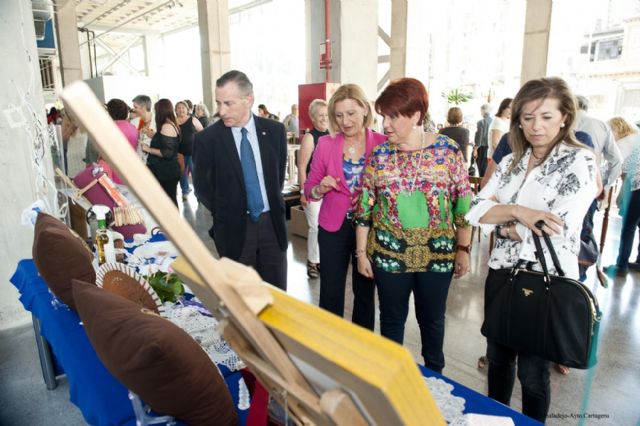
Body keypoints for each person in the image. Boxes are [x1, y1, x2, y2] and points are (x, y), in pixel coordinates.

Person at [465, 77, 599, 422]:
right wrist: (518, 213)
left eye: (546, 117)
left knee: (533, 373)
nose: (536, 127)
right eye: (527, 118)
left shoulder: (579, 161)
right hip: (502, 273)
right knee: (497, 359)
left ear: (565, 117)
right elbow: (475, 210)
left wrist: (505, 225)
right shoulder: (510, 162)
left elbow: (557, 228)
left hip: (547, 279)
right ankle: (494, 420)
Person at [353, 78, 472, 373]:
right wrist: (361, 254)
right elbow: (365, 206)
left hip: (438, 255)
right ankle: (392, 382)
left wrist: (464, 249)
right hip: (388, 255)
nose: (386, 124)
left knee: (432, 320)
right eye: (383, 117)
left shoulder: (448, 151)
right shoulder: (379, 156)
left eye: (393, 116)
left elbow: (463, 205)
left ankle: (436, 379)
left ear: (416, 115)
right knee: (392, 320)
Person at [193, 70, 288, 291]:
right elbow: (202, 187)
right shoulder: (208, 139)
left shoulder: (274, 131)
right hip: (234, 229)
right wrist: (226, 212)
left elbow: (276, 177)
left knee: (277, 296)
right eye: (218, 103)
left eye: (228, 103)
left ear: (248, 101)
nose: (221, 111)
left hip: (271, 226)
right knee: (242, 299)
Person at [304, 84, 385, 330]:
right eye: (339, 115)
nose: (345, 121)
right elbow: (309, 188)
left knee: (365, 290)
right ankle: (330, 345)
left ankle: (361, 347)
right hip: (332, 226)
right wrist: (320, 188)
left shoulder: (382, 144)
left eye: (350, 113)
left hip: (370, 228)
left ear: (364, 109)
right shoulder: (326, 145)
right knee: (330, 291)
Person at [604, 117, 640, 276]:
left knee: (628, 226)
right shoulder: (636, 137)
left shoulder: (624, 142)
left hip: (636, 187)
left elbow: (615, 164)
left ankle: (622, 265)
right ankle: (638, 261)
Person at [297, 99, 329, 278]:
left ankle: (321, 260)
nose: (324, 118)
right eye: (320, 115)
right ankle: (312, 262)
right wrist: (303, 192)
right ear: (313, 118)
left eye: (326, 114)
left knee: (325, 228)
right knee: (315, 227)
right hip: (313, 189)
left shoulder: (332, 134)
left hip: (329, 190)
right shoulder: (310, 137)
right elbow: (302, 166)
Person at [575, 95, 622, 192]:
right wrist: (606, 186)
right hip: (590, 183)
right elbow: (617, 159)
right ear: (586, 108)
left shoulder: (560, 122)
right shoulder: (601, 125)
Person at [141, 99, 181, 206]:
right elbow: (164, 140)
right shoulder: (169, 124)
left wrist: (148, 149)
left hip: (166, 171)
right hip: (166, 170)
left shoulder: (166, 126)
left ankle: (173, 222)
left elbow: (167, 153)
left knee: (169, 202)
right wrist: (152, 134)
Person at [103, 98, 139, 184]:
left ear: (110, 113)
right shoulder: (133, 128)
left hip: (116, 174)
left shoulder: (110, 130)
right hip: (132, 171)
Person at [175, 100, 203, 200]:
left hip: (193, 152)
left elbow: (202, 132)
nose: (181, 109)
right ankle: (185, 191)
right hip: (179, 153)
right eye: (178, 108)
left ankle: (199, 193)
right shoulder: (174, 121)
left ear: (187, 109)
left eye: (183, 107)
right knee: (182, 173)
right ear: (176, 110)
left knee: (195, 173)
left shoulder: (193, 120)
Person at [487, 98, 512, 162]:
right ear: (503, 108)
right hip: (496, 159)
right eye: (509, 108)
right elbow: (495, 144)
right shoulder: (498, 121)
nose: (511, 110)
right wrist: (503, 159)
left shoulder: (506, 120)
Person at [132, 94, 155, 161]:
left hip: (155, 163)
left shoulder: (158, 121)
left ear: (144, 107)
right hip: (138, 161)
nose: (133, 109)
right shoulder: (134, 122)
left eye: (136, 107)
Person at [474, 103, 492, 177]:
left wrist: (475, 149)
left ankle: (481, 186)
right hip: (491, 148)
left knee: (481, 170)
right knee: (488, 170)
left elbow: (479, 138)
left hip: (482, 149)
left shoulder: (481, 122)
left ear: (482, 111)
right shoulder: (493, 121)